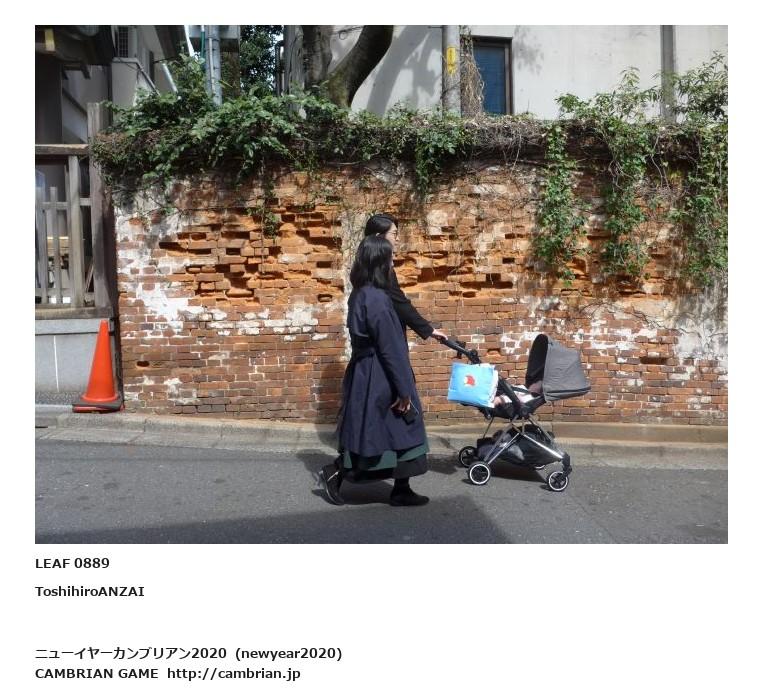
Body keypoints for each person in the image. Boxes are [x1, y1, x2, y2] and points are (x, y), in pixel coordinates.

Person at [318, 235, 430, 506]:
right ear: (380, 261)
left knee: (385, 430)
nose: (393, 262)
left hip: (366, 371)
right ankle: (335, 473)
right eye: (390, 258)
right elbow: (391, 349)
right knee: (386, 429)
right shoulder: (378, 299)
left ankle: (401, 489)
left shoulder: (360, 292)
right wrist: (404, 390)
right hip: (380, 375)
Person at [363, 213, 448, 343]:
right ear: (379, 237)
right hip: (383, 339)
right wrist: (428, 330)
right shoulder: (379, 267)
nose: (397, 239)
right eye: (394, 234)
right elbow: (399, 301)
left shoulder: (364, 263)